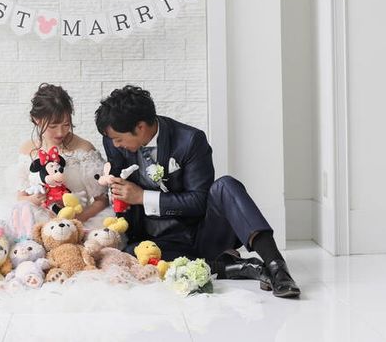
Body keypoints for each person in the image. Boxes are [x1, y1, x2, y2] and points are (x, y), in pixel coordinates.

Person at [95, 85, 301, 298]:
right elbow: (117, 175)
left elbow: (199, 201)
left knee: (226, 186)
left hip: (201, 233)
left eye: (119, 139)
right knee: (131, 256)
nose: (115, 144)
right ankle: (234, 267)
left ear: (140, 127)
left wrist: (142, 196)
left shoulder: (189, 140)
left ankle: (277, 267)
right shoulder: (113, 141)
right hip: (156, 240)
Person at [16, 83, 108, 224]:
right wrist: (33, 200)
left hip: (78, 220)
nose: (60, 133)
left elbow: (102, 200)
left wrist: (78, 219)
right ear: (36, 120)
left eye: (66, 125)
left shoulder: (84, 149)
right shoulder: (27, 149)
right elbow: (20, 197)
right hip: (37, 221)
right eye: (53, 126)